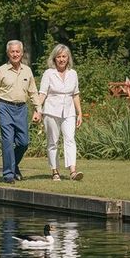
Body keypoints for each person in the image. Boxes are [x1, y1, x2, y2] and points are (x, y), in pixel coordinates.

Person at [0, 40, 42, 184]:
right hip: (4, 107)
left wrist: (38, 109)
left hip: (21, 109)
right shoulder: (0, 71)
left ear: (22, 53)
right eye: (12, 51)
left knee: (24, 142)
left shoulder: (27, 70)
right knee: (7, 140)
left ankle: (13, 165)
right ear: (8, 53)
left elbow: (33, 92)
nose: (15, 54)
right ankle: (8, 175)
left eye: (18, 51)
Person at [37, 43, 84, 181]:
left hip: (69, 112)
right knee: (53, 141)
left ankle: (73, 171)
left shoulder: (73, 74)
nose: (62, 59)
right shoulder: (49, 73)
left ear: (68, 58)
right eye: (59, 57)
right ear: (54, 58)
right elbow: (42, 93)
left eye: (64, 56)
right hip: (51, 111)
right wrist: (38, 110)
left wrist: (79, 113)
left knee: (70, 139)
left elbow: (75, 94)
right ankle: (55, 171)